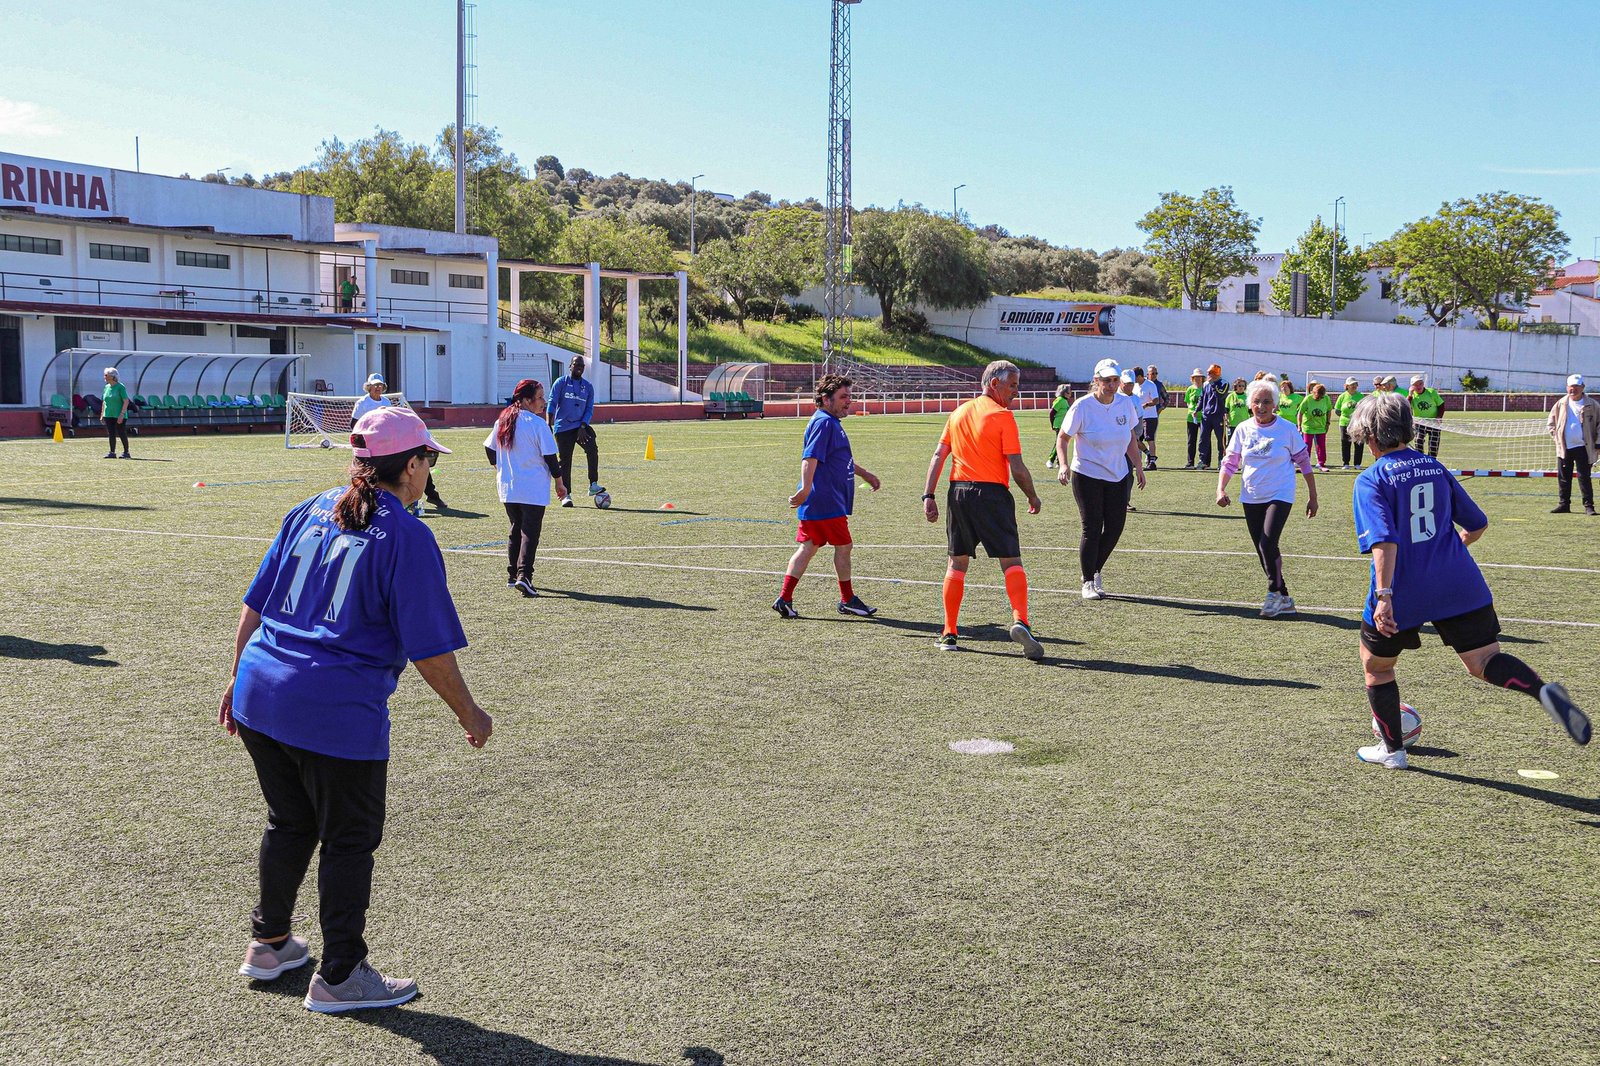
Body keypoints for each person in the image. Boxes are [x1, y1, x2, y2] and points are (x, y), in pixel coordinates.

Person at [221, 405, 494, 1011]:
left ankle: (268, 945)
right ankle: (341, 974)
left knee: (290, 821)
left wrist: (237, 678)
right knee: (349, 839)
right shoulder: (407, 535)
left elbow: (254, 604)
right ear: (412, 465)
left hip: (262, 692)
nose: (427, 472)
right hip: (332, 708)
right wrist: (469, 713)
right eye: (426, 460)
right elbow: (431, 649)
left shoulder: (310, 507)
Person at [1345, 391, 1590, 770]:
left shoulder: (1371, 479)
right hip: (1459, 582)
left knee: (1377, 667)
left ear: (1370, 435)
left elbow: (1384, 542)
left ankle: (1393, 751)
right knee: (1484, 660)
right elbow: (1477, 524)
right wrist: (1453, 546)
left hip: (1406, 589)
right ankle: (1541, 691)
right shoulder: (1434, 466)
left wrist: (1384, 595)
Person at [922, 359, 1044, 659]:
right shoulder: (1003, 416)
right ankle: (1020, 620)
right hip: (991, 494)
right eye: (1013, 385)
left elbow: (939, 454)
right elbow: (1016, 466)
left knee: (957, 564)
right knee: (1011, 561)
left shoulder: (959, 412)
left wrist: (928, 495)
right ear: (994, 384)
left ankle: (949, 632)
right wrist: (1032, 495)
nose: (1016, 391)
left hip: (958, 492)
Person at [775, 374, 882, 619]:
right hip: (825, 500)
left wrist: (864, 474)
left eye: (850, 396)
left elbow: (839, 459)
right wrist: (804, 490)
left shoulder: (830, 422)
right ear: (825, 398)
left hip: (820, 500)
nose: (849, 402)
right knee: (844, 547)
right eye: (843, 397)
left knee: (808, 547)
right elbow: (809, 458)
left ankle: (784, 598)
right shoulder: (824, 422)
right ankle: (847, 600)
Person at [1215, 380, 1318, 617]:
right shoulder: (1242, 429)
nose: (1261, 406)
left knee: (1267, 542)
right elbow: (1230, 462)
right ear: (1250, 404)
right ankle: (1284, 597)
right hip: (1251, 495)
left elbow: (1303, 462)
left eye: (1267, 401)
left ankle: (1273, 594)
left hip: (1280, 494)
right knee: (1262, 549)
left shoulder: (1287, 429)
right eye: (1257, 401)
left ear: (1275, 404)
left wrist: (1313, 496)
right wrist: (1221, 489)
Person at [1057, 358, 1144, 600]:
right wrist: (1063, 465)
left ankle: (1095, 570)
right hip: (1087, 474)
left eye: (1115, 380)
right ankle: (1087, 581)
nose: (1112, 384)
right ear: (1096, 381)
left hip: (1118, 474)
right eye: (1107, 380)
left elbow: (1130, 439)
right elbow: (1063, 438)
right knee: (1092, 527)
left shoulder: (1125, 404)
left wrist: (1138, 467)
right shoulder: (1082, 406)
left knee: (1115, 528)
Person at [484, 379, 568, 596]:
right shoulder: (538, 424)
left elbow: (489, 448)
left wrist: (499, 468)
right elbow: (551, 458)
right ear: (526, 400)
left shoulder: (502, 420)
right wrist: (560, 483)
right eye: (539, 397)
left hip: (508, 487)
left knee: (515, 529)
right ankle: (525, 576)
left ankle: (513, 575)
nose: (543, 402)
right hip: (532, 488)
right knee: (529, 532)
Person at [352, 374, 445, 512]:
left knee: (419, 463)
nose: (378, 388)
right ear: (369, 387)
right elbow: (354, 424)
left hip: (392, 444)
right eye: (375, 385)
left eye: (380, 385)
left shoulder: (386, 402)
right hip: (373, 447)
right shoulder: (362, 403)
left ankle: (430, 496)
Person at [550, 355, 603, 507]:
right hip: (563, 428)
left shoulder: (588, 387)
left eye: (582, 365)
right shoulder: (561, 382)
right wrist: (549, 423)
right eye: (576, 364)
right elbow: (552, 402)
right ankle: (567, 495)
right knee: (565, 461)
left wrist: (583, 426)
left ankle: (593, 484)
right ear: (570, 366)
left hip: (580, 428)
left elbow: (589, 409)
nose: (579, 367)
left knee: (592, 449)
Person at [1547, 373, 1600, 516]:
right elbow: (1551, 423)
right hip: (1565, 447)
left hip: (1584, 448)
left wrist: (1598, 443)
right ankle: (1564, 504)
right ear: (1566, 387)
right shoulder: (1560, 404)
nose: (1573, 389)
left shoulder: (1593, 405)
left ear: (1583, 387)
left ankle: (1589, 506)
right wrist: (1557, 437)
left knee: (1584, 477)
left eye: (1577, 386)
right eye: (1571, 386)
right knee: (1563, 477)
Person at [1196, 363, 1228, 470]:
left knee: (1221, 440)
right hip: (1206, 416)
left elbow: (1221, 395)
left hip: (1219, 415)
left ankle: (1221, 460)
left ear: (1216, 374)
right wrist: (1197, 409)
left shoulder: (1224, 383)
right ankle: (1203, 461)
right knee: (1203, 439)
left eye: (1211, 373)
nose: (1208, 375)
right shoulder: (1206, 384)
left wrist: (1213, 385)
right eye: (1208, 373)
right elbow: (1202, 397)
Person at [1298, 381, 1334, 472]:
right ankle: (1305, 465)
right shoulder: (1307, 399)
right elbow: (1300, 413)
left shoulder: (1326, 399)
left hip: (1321, 427)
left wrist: (1327, 423)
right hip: (1308, 427)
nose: (1319, 399)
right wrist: (1299, 425)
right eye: (1317, 397)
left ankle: (1321, 464)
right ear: (1313, 393)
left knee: (1321, 446)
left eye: (1321, 397)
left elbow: (1329, 410)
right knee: (1307, 446)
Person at [1408, 375, 1445, 457]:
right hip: (1419, 423)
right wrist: (1410, 395)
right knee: (1418, 440)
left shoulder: (1431, 392)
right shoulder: (1412, 395)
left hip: (1434, 422)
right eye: (1416, 385)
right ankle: (1421, 458)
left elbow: (1441, 405)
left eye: (1420, 384)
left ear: (1423, 384)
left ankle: (1432, 460)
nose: (1418, 386)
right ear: (1412, 386)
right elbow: (1406, 406)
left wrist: (1439, 416)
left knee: (1433, 444)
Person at [101, 367, 132, 459]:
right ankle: (112, 452)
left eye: (106, 375)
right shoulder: (106, 387)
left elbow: (126, 401)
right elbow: (104, 402)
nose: (104, 376)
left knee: (121, 432)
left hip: (119, 415)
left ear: (112, 376)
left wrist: (121, 414)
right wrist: (102, 414)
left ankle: (126, 452)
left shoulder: (120, 387)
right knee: (111, 433)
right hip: (108, 414)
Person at [1135, 365, 1161, 470]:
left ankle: (1152, 462)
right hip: (1137, 417)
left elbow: (1156, 400)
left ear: (1140, 376)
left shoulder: (1150, 385)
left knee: (1150, 439)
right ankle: (1147, 455)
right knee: (1136, 439)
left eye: (1135, 377)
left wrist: (1145, 405)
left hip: (1150, 417)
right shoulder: (1135, 386)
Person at [1335, 377, 1365, 468]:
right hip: (1344, 423)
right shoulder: (1342, 396)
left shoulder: (1360, 396)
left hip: (1358, 423)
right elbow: (1337, 410)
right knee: (1345, 442)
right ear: (1347, 386)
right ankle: (1346, 463)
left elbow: (1364, 409)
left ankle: (1357, 463)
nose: (1354, 386)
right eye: (1352, 385)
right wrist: (1347, 417)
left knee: (1358, 442)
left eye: (1355, 384)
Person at [1182, 368, 1205, 468]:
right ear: (1193, 378)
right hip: (1191, 418)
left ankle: (1204, 461)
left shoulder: (1205, 388)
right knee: (1191, 440)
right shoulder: (1190, 389)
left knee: (1204, 440)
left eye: (1200, 377)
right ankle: (1190, 462)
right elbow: (1188, 402)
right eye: (1196, 377)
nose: (1198, 379)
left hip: (1203, 418)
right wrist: (1192, 411)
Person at [1045, 384, 1071, 467]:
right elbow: (1052, 413)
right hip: (1059, 425)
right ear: (1065, 392)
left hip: (1064, 426)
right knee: (1059, 443)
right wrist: (1052, 424)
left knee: (1062, 443)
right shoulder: (1059, 400)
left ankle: (1059, 462)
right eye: (1069, 392)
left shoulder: (1065, 401)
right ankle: (1050, 460)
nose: (1070, 394)